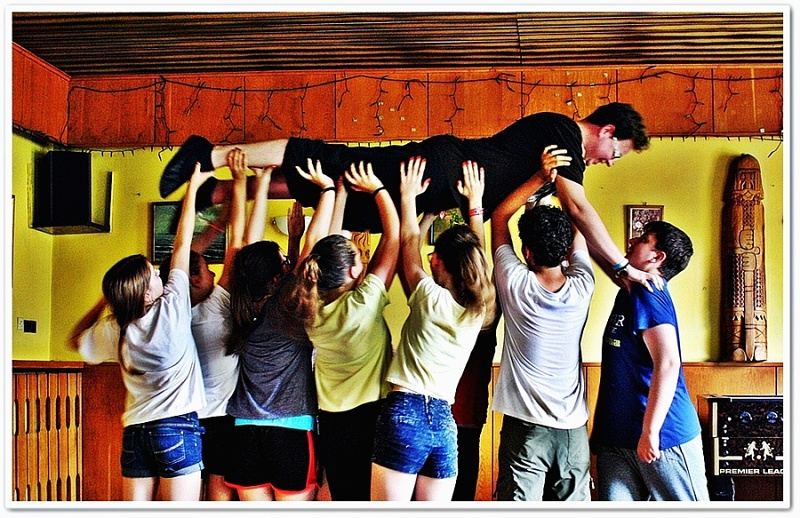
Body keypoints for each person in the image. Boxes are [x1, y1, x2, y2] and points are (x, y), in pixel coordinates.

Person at [159, 102, 658, 289]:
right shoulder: (565, 134)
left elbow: (518, 207)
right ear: (607, 131)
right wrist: (621, 266)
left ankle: (218, 191)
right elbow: (578, 208)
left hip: (439, 190)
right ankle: (211, 153)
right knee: (332, 162)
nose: (611, 161)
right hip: (438, 171)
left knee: (344, 198)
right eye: (618, 152)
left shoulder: (554, 155)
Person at [70, 164, 214, 500]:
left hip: (135, 431)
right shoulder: (173, 306)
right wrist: (193, 187)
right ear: (147, 293)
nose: (160, 275)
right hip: (177, 427)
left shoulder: (116, 328)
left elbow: (76, 340)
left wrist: (106, 301)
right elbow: (182, 242)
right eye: (154, 275)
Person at [370, 158, 495, 501]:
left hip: (404, 412)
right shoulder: (478, 310)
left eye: (434, 255)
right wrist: (475, 203)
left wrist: (408, 195)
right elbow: (479, 258)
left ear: (439, 262)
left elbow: (409, 242)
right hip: (444, 423)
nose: (430, 259)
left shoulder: (428, 296)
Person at [156, 148, 274, 501]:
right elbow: (240, 244)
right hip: (222, 420)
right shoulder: (216, 309)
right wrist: (244, 182)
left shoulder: (169, 315)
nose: (213, 271)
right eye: (208, 269)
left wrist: (223, 211)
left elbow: (192, 254)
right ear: (195, 280)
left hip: (181, 420)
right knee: (219, 495)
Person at [221, 157, 334, 502]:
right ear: (275, 279)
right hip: (291, 430)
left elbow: (246, 248)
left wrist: (259, 181)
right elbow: (316, 244)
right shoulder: (287, 307)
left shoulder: (235, 303)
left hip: (244, 430)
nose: (289, 265)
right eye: (284, 263)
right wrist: (328, 190)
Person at [286, 160, 399, 501]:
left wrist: (341, 194)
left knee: (347, 499)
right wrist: (378, 189)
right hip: (372, 417)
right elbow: (393, 237)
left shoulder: (309, 309)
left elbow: (322, 247)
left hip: (332, 422)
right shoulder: (363, 303)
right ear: (352, 271)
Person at [489, 145, 595, 501]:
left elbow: (500, 216)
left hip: (526, 429)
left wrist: (540, 175)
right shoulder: (583, 285)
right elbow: (579, 226)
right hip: (573, 431)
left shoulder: (515, 282)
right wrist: (566, 181)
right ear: (565, 253)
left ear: (527, 253)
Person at [590, 220, 709, 501]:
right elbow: (598, 249)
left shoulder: (650, 292)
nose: (632, 241)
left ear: (657, 257)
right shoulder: (630, 288)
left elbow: (668, 363)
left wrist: (650, 431)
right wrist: (572, 212)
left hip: (664, 438)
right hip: (617, 439)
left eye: (643, 239)